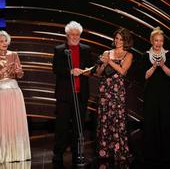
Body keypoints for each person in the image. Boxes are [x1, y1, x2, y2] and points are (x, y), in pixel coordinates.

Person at [0, 30, 31, 163]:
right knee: (2, 122)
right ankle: (1, 151)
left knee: (14, 121)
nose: (4, 43)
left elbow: (20, 74)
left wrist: (18, 71)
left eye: (6, 40)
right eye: (1, 41)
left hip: (13, 91)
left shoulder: (14, 55)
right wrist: (3, 71)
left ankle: (17, 152)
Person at [52, 21, 92, 168]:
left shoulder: (86, 49)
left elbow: (90, 68)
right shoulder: (59, 49)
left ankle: (77, 154)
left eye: (77, 35)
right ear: (67, 35)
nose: (75, 37)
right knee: (62, 126)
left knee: (78, 126)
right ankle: (58, 153)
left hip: (81, 94)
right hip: (64, 95)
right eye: (72, 34)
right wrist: (70, 71)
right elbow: (56, 68)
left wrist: (88, 71)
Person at [142, 27, 170, 167]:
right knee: (152, 122)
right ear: (152, 41)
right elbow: (145, 76)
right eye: (156, 40)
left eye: (161, 41)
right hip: (151, 93)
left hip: (165, 93)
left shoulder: (168, 55)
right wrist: (153, 66)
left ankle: (168, 154)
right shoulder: (145, 55)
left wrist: (162, 65)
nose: (158, 43)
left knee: (166, 121)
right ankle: (152, 155)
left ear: (163, 42)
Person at [95, 28, 133, 163]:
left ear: (125, 41)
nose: (118, 41)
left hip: (117, 92)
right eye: (116, 38)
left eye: (121, 39)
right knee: (105, 118)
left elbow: (122, 71)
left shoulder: (128, 55)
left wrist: (110, 62)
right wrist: (104, 63)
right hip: (105, 90)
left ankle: (119, 150)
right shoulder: (107, 52)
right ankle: (104, 150)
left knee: (117, 119)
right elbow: (98, 73)